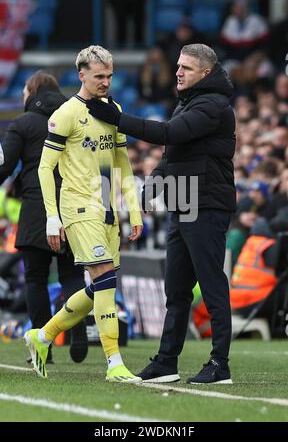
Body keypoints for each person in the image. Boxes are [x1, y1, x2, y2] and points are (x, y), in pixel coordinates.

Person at [86, 43, 236, 384]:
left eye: (187, 67)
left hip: (205, 204)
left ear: (206, 73)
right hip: (183, 204)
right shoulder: (190, 103)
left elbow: (169, 135)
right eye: (179, 65)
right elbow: (173, 155)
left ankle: (220, 364)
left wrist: (118, 120)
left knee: (212, 284)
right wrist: (150, 189)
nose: (179, 71)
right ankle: (167, 362)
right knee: (176, 289)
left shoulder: (213, 105)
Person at [24, 45, 143, 382]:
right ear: (82, 75)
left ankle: (42, 335)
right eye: (98, 76)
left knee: (101, 287)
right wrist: (51, 216)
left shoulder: (114, 110)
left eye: (109, 76)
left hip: (107, 210)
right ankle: (114, 363)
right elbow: (45, 168)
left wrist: (133, 210)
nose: (105, 82)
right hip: (77, 207)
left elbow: (122, 163)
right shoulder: (65, 114)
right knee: (105, 279)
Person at [0, 70, 88, 364]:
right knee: (73, 275)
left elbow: (4, 166)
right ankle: (77, 329)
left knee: (35, 279)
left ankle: (43, 344)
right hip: (74, 204)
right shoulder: (76, 118)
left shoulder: (23, 123)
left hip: (38, 207)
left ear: (32, 92)